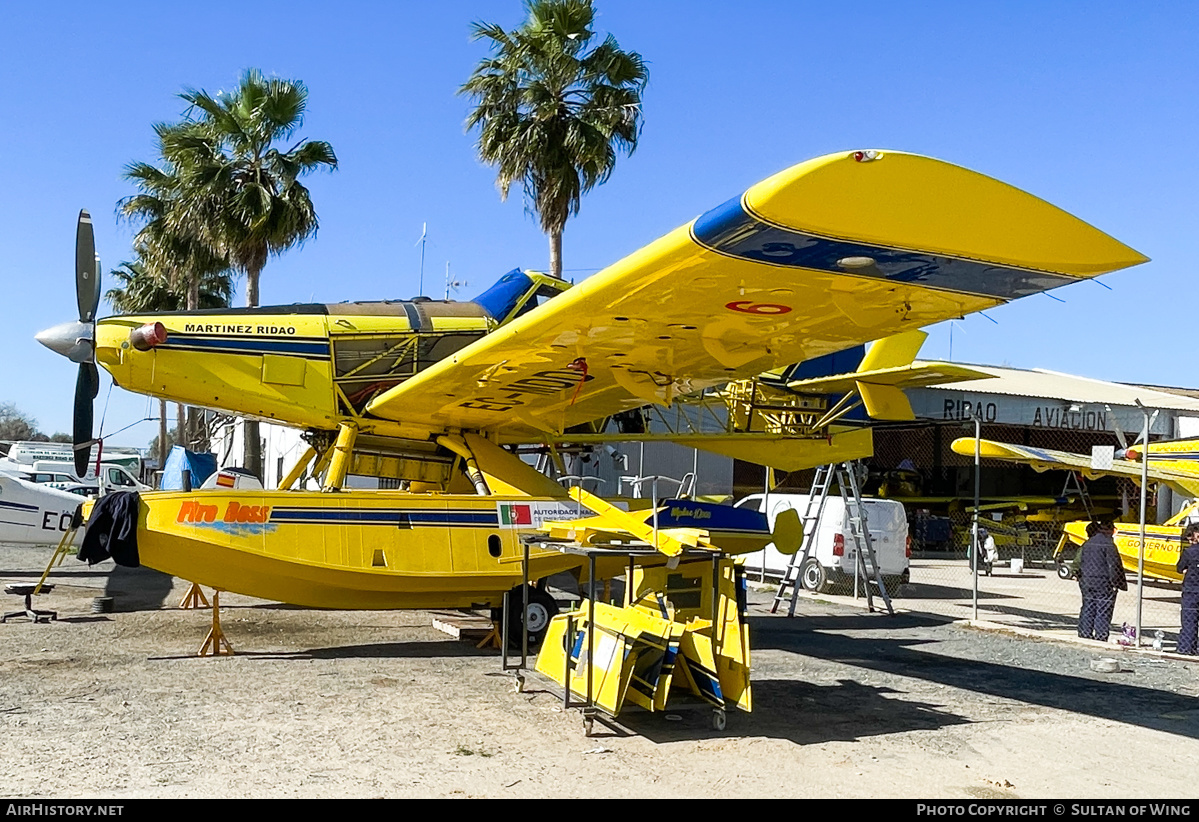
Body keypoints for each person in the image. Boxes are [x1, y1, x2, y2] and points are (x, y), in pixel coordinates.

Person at [1076, 520, 1127, 642]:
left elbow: (1079, 562)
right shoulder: (1109, 545)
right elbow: (1114, 566)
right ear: (1108, 530)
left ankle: (1084, 632)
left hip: (1087, 580)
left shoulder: (1087, 544)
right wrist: (1118, 583)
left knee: (1088, 606)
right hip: (1104, 581)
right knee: (1103, 609)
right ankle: (1101, 635)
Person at [1176, 522, 1199, 655]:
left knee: (1189, 620)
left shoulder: (1190, 552)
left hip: (1192, 589)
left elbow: (1180, 568)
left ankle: (1186, 648)